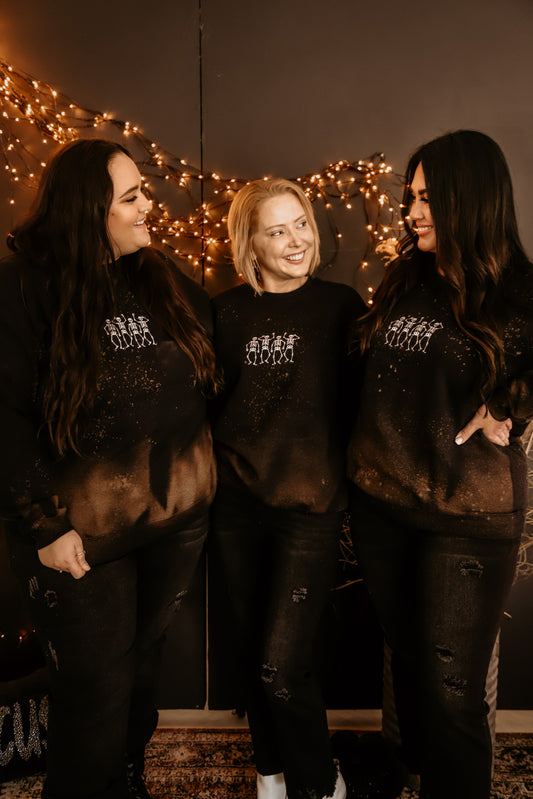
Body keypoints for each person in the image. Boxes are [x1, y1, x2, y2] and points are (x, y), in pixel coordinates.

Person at [0, 138, 218, 799]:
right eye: (131, 197)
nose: (148, 206)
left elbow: (218, 348)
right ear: (88, 211)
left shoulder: (154, 272)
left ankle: (126, 784)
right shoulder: (22, 287)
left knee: (141, 679)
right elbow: (3, 416)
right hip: (80, 534)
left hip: (171, 522)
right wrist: (41, 526)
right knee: (94, 695)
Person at [347, 130, 533, 799]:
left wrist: (511, 400)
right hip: (382, 509)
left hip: (466, 517)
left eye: (428, 198)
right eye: (412, 196)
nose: (412, 212)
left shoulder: (518, 292)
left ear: (469, 198)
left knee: (452, 696)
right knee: (414, 677)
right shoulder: (408, 278)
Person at [209, 177, 366, 799]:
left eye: (301, 223)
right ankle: (269, 774)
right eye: (277, 231)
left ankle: (321, 783)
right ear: (250, 244)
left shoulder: (341, 306)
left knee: (282, 664)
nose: (296, 240)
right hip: (235, 509)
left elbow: (369, 401)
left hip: (309, 510)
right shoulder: (224, 313)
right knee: (253, 654)